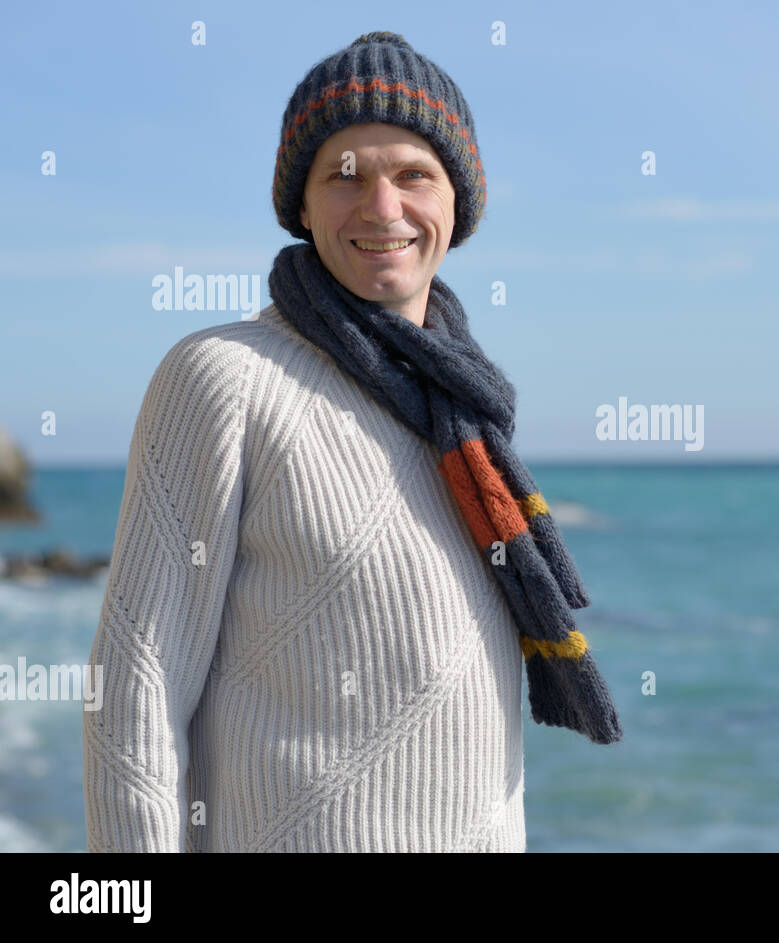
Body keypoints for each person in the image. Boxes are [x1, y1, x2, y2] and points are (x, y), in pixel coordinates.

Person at [83, 31, 620, 854]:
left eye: (413, 174)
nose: (381, 207)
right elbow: (135, 685)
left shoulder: (464, 411)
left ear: (457, 205)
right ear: (301, 205)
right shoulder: (222, 377)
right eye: (344, 175)